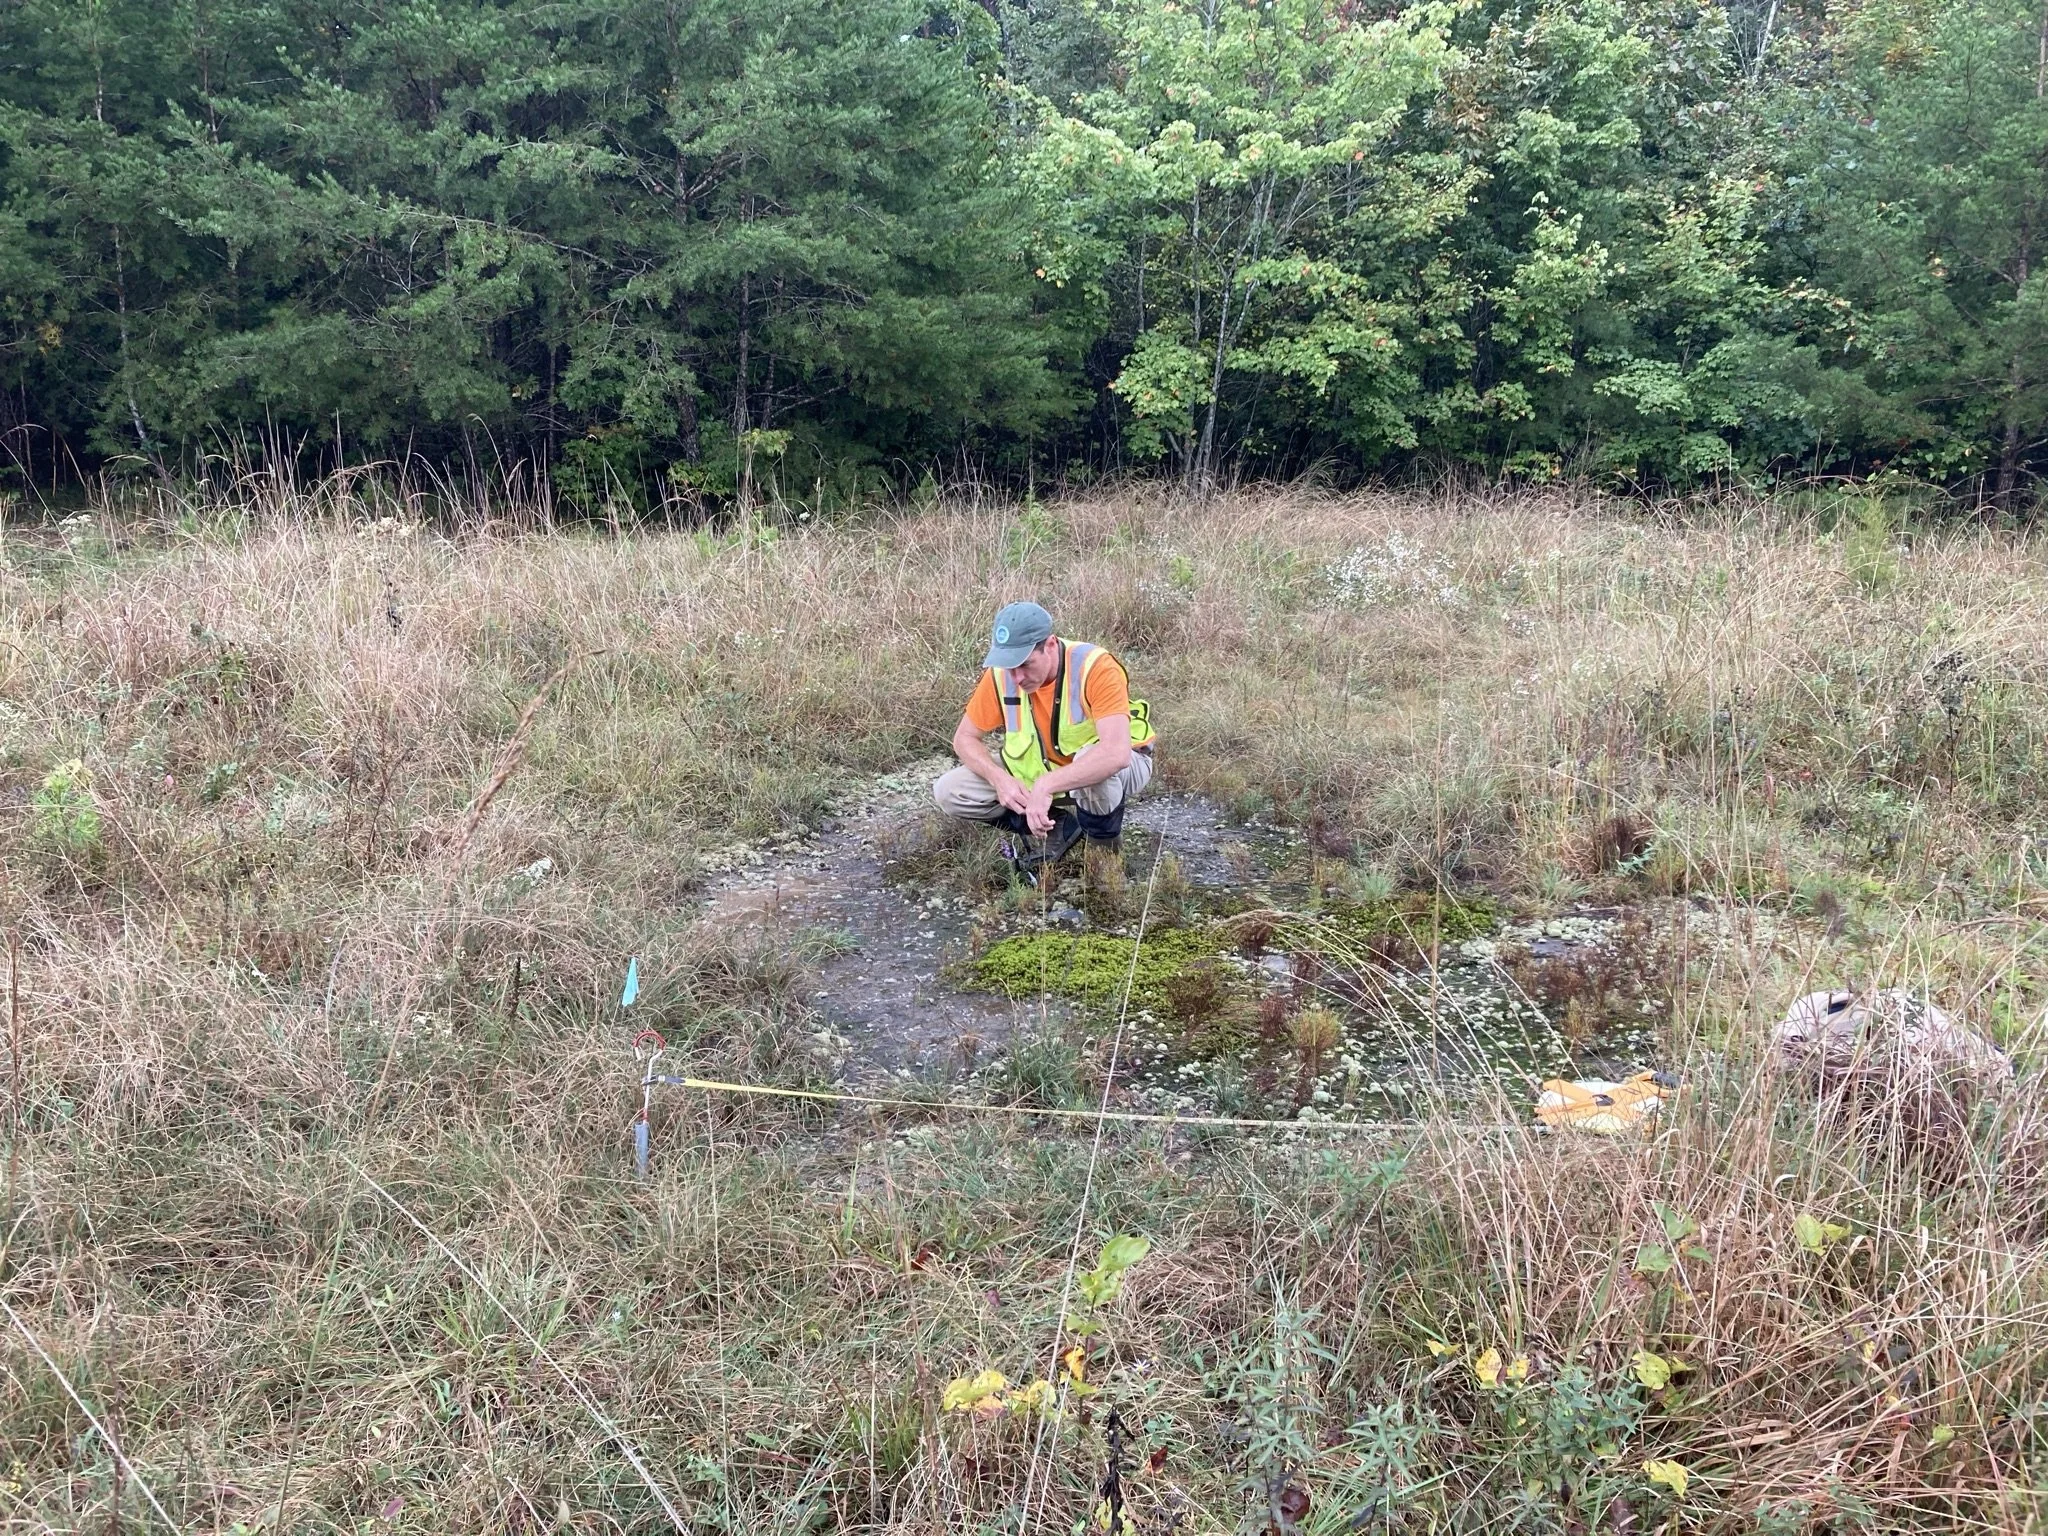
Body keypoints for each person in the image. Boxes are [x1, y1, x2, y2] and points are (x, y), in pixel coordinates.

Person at [932, 600, 1156, 866]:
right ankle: (1059, 826)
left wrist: (1046, 785)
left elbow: (1115, 754)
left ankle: (1104, 864)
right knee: (950, 790)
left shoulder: (1094, 667)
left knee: (1093, 765)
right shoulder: (1001, 675)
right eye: (1009, 666)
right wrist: (999, 779)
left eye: (1025, 664)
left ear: (1050, 645)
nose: (1016, 678)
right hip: (1041, 772)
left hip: (1125, 765)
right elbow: (964, 738)